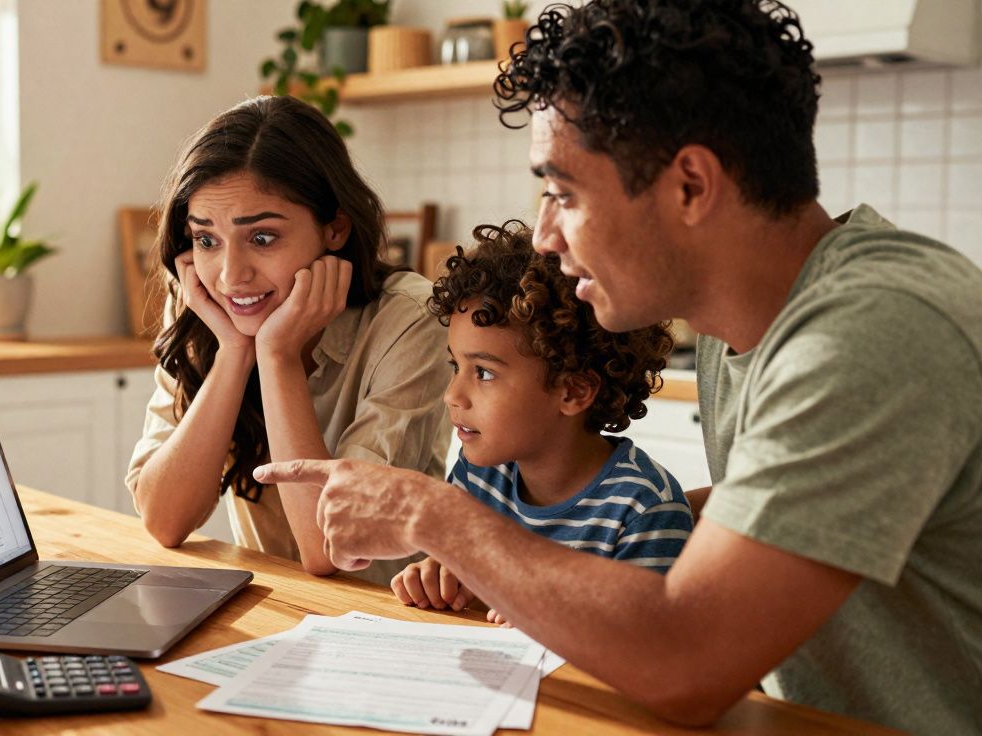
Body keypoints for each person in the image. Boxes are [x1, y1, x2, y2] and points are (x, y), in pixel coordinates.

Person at [255, 1, 982, 732]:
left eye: (563, 194)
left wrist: (430, 515)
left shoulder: (870, 333)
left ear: (691, 185)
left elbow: (688, 662)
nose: (545, 236)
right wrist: (560, 543)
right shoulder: (763, 326)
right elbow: (789, 510)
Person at [124, 95, 450, 586]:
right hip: (274, 607)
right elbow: (164, 521)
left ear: (334, 228)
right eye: (207, 240)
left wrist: (275, 356)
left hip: (386, 619)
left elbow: (329, 549)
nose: (231, 276)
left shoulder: (409, 320)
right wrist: (234, 354)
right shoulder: (209, 312)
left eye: (261, 238)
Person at [391, 221, 691, 619]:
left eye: (483, 373)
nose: (452, 395)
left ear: (573, 391)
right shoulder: (480, 477)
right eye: (454, 366)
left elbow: (650, 655)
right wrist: (441, 582)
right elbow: (471, 596)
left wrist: (549, 623)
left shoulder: (642, 510)